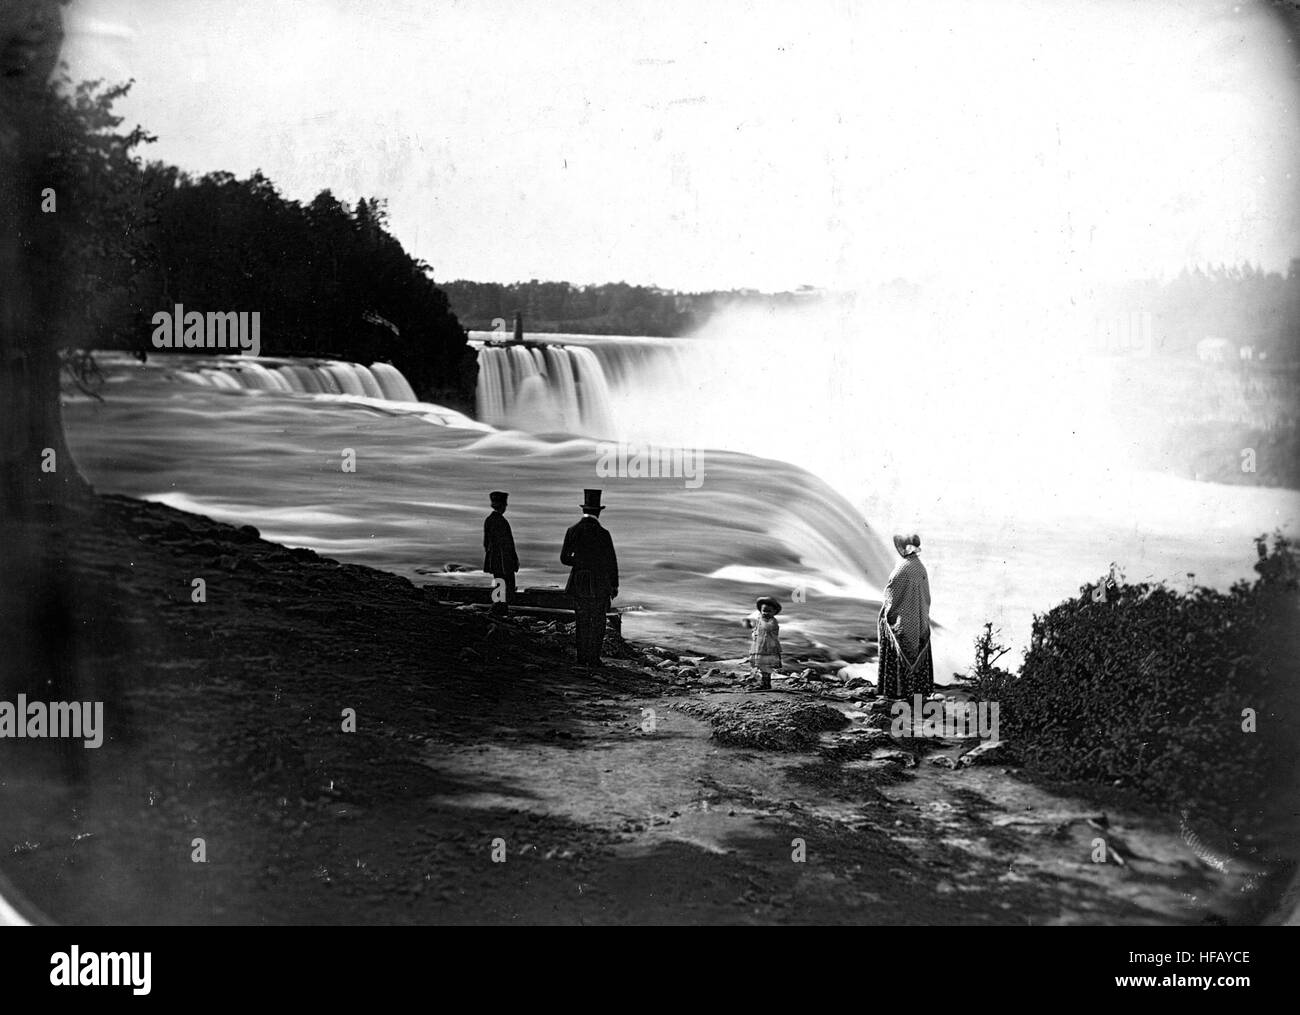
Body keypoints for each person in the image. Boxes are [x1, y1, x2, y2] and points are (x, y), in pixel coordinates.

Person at [560, 489, 619, 665]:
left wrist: (580, 562)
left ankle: (581, 657)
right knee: (598, 622)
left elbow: (564, 558)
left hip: (579, 582)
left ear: (583, 510)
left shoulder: (572, 530)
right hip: (600, 583)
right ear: (599, 511)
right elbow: (611, 562)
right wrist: (614, 585)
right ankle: (593, 658)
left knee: (582, 620)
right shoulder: (603, 534)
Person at [877, 532, 933, 698]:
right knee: (916, 653)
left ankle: (897, 691)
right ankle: (916, 692)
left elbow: (892, 596)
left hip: (903, 621)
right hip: (919, 620)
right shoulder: (920, 566)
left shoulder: (902, 569)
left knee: (898, 646)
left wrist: (887, 613)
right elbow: (926, 597)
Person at [483, 491, 519, 616]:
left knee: (499, 582)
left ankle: (499, 608)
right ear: (502, 505)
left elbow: (486, 543)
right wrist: (511, 561)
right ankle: (499, 609)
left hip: (496, 558)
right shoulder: (501, 521)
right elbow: (506, 545)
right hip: (503, 559)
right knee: (503, 584)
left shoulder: (489, 520)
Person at [743, 596, 783, 690]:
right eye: (764, 610)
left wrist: (760, 619)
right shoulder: (761, 620)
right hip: (760, 646)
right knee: (761, 665)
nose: (766, 613)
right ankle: (764, 682)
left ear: (774, 612)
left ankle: (766, 684)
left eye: (769, 611)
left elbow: (766, 628)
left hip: (769, 647)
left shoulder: (773, 622)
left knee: (766, 666)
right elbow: (757, 629)